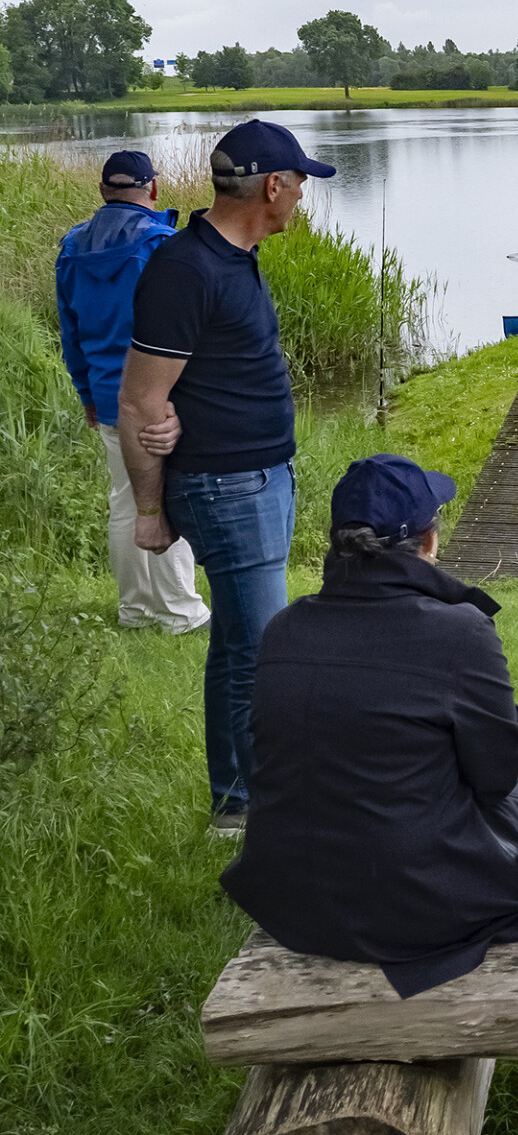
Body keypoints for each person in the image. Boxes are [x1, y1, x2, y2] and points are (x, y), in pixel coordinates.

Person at [219, 455, 518, 998]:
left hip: (294, 900)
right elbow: (494, 780)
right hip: (412, 910)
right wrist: (511, 735)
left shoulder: (284, 629)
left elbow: (357, 718)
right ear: (427, 543)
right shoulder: (460, 632)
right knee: (517, 761)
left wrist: (512, 722)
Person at [119, 120, 334, 832]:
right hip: (227, 488)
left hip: (257, 478)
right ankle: (267, 816)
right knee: (262, 653)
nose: (303, 196)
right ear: (274, 186)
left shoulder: (233, 256)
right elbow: (140, 400)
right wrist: (150, 512)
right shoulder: (186, 269)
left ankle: (236, 799)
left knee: (239, 645)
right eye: (300, 183)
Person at [54, 150, 209, 634]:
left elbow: (70, 333)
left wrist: (85, 394)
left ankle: (135, 610)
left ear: (102, 190)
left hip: (105, 395)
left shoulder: (72, 247)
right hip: (160, 397)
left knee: (125, 498)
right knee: (167, 496)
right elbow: (184, 332)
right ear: (153, 190)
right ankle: (180, 612)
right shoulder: (163, 246)